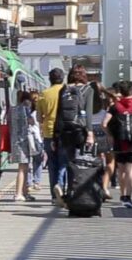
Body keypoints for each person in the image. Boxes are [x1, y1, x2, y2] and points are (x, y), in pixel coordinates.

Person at [52, 65, 95, 204]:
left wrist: (55, 136)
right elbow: (88, 114)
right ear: (84, 75)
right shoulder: (88, 89)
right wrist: (90, 133)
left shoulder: (64, 89)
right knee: (80, 163)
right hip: (80, 131)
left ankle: (65, 190)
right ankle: (76, 194)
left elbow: (58, 114)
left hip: (64, 131)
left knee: (68, 162)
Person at [104, 80, 132, 208]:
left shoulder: (115, 106)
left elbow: (104, 123)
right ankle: (128, 197)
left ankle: (122, 194)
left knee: (121, 169)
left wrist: (110, 135)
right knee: (131, 169)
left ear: (121, 92)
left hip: (119, 140)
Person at [36, 68, 66, 202]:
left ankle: (54, 195)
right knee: (64, 163)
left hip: (49, 132)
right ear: (63, 78)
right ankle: (61, 186)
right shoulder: (68, 92)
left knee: (52, 164)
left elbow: (38, 117)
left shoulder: (44, 94)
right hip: (65, 132)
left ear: (50, 79)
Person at [10, 90, 37, 201]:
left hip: (16, 141)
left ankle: (24, 192)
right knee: (22, 168)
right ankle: (18, 193)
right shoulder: (25, 109)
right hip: (24, 141)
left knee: (25, 167)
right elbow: (32, 122)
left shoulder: (13, 109)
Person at [90, 83, 115, 200]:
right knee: (110, 161)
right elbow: (117, 100)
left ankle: (96, 187)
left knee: (96, 161)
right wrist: (105, 91)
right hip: (104, 130)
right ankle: (104, 187)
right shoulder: (104, 100)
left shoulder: (85, 98)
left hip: (91, 132)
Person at [28, 91, 44, 192]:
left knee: (28, 162)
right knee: (38, 162)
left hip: (29, 138)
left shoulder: (28, 113)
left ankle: (28, 183)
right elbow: (42, 127)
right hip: (38, 139)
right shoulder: (39, 113)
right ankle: (36, 182)